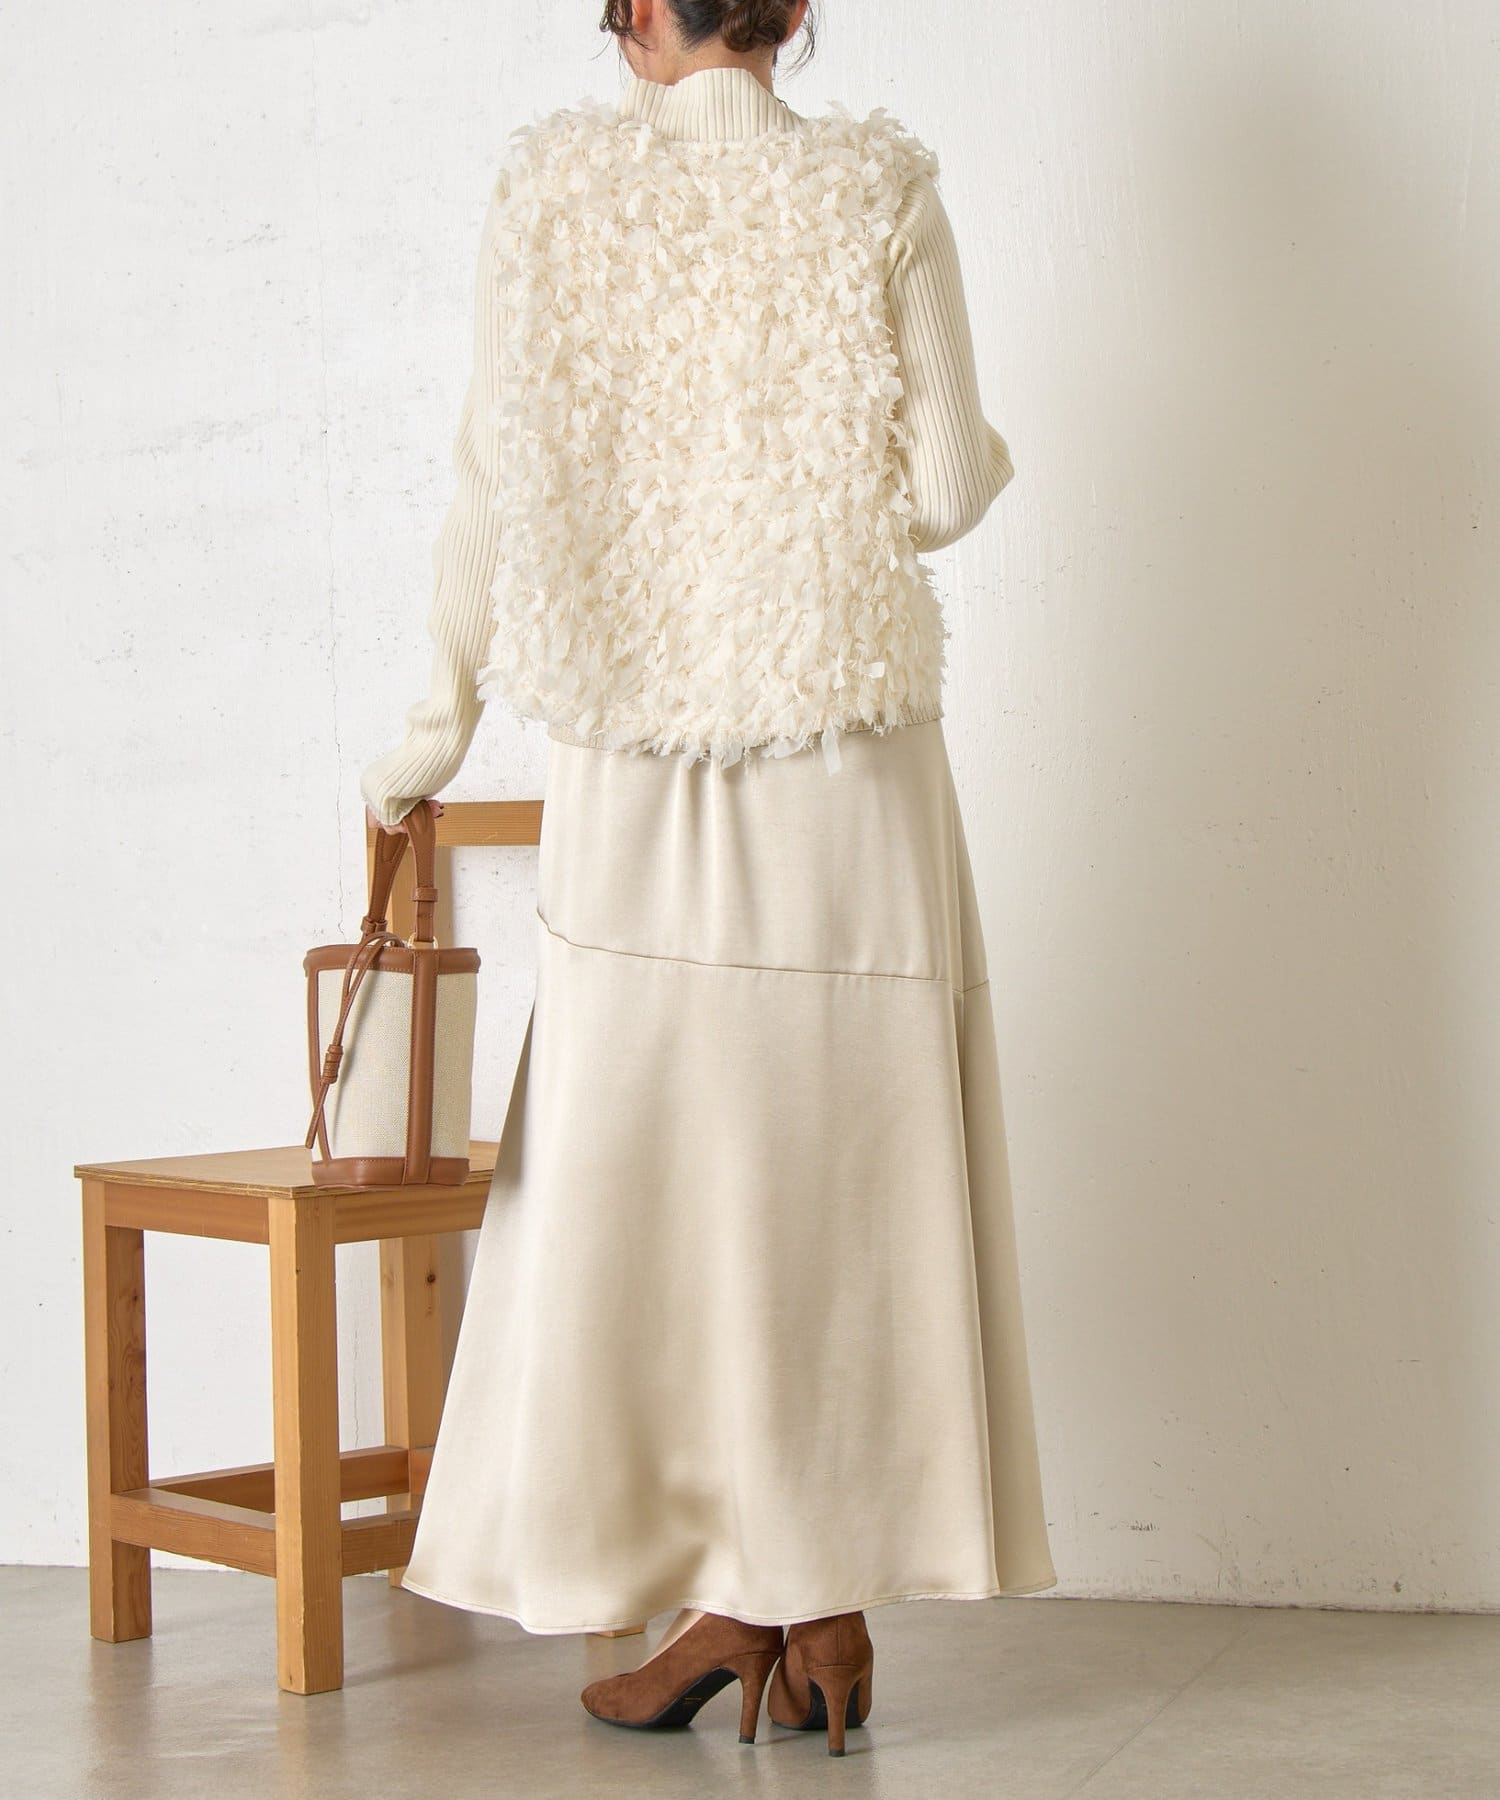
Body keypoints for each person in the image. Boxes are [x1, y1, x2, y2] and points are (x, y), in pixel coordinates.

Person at [360, 0, 1056, 1757]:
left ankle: (745, 1594)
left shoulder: (551, 200)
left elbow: (489, 489)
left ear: (636, 22)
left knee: (658, 1191)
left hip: (637, 763)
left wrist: (429, 735)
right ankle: (803, 1599)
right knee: (835, 1181)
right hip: (842, 757)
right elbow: (943, 484)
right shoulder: (879, 192)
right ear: (795, 15)